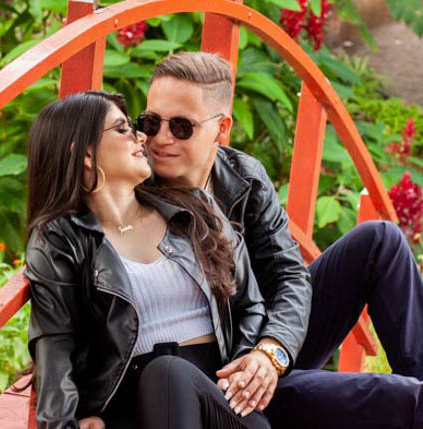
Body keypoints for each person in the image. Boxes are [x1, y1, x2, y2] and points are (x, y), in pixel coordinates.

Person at [139, 51, 423, 428]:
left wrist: (272, 348)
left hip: (267, 349)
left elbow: (289, 275)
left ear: (221, 129)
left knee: (380, 241)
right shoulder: (131, 185)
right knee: (402, 398)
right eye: (150, 122)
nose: (159, 139)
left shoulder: (244, 177)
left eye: (181, 127)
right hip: (222, 383)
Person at [23, 90, 274, 428]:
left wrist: (244, 370)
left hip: (219, 400)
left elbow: (249, 304)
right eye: (122, 129)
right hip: (134, 410)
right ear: (85, 153)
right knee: (164, 374)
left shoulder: (193, 209)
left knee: (168, 373)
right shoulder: (60, 240)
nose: (141, 136)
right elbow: (55, 346)